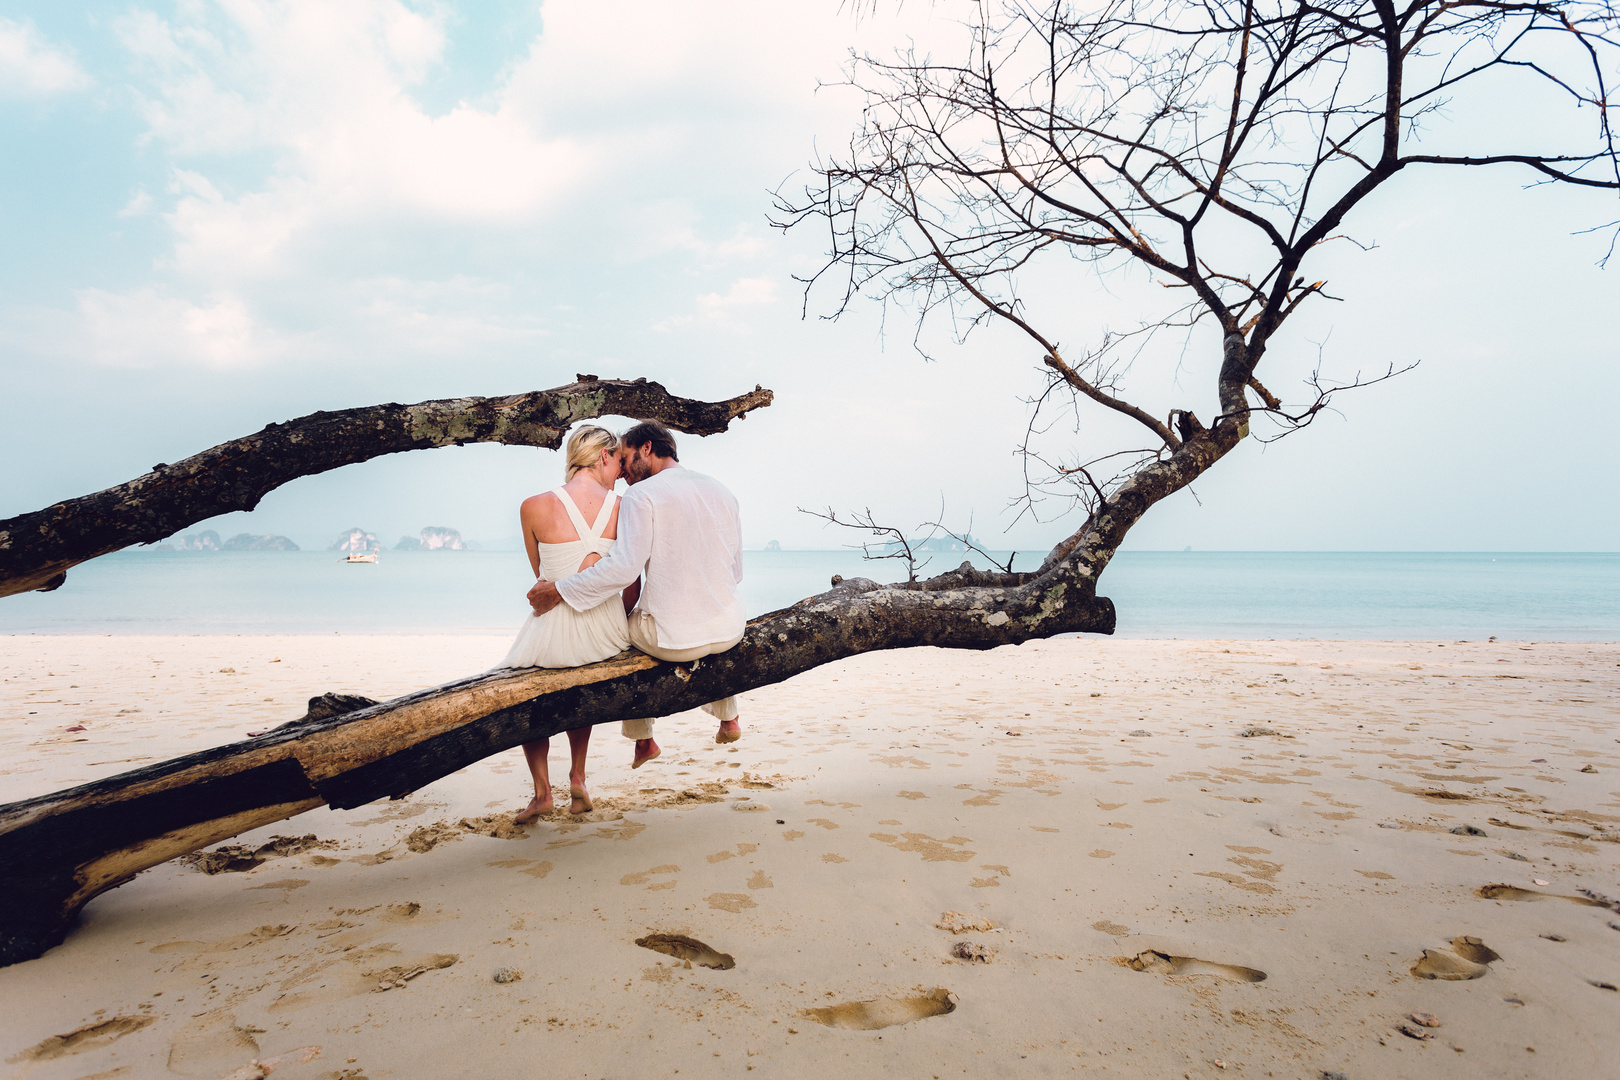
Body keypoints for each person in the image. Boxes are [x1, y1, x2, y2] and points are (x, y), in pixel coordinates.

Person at [527, 420, 744, 769]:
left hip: (674, 641)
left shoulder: (641, 496)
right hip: (730, 630)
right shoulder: (722, 490)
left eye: (625, 459)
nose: (623, 472)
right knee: (706, 613)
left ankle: (644, 740)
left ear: (646, 448)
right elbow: (736, 572)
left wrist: (560, 591)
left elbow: (623, 570)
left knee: (620, 634)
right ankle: (729, 717)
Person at [501, 424, 640, 824]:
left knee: (529, 694)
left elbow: (541, 579)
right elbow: (630, 584)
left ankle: (543, 793)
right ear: (603, 456)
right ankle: (578, 776)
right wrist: (622, 622)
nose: (621, 472)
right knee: (582, 686)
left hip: (551, 631)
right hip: (606, 635)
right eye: (618, 461)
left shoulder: (533, 505)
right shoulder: (623, 508)